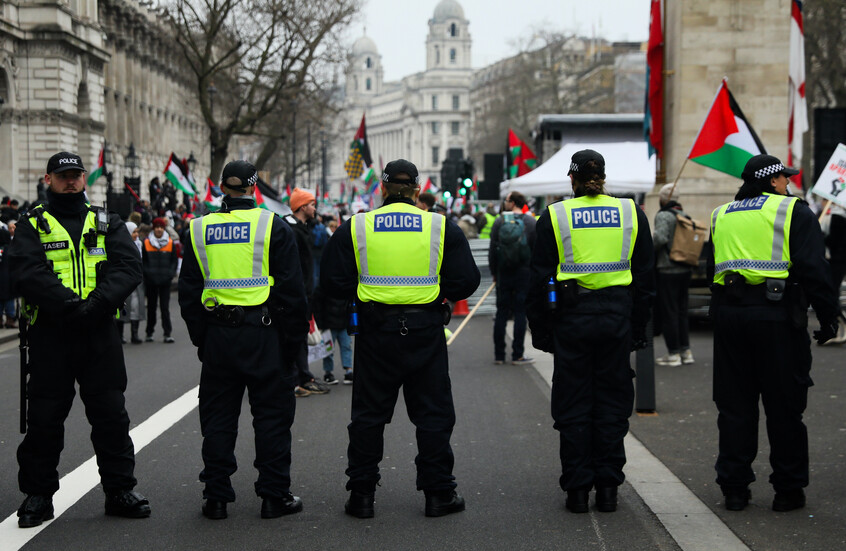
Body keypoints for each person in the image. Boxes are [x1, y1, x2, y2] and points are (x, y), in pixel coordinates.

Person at [321, 159, 480, 518]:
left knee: (368, 417)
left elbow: (331, 280)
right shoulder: (439, 227)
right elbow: (467, 280)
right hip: (425, 333)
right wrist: (439, 293)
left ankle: (361, 495)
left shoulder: (358, 226)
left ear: (383, 188)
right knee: (433, 416)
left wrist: (362, 295)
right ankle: (439, 493)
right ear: (417, 190)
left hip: (376, 333)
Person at [9, 151, 151, 528]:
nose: (69, 181)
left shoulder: (107, 221)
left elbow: (128, 267)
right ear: (48, 179)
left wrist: (97, 304)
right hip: (51, 335)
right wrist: (70, 305)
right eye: (62, 175)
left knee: (111, 416)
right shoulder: (33, 224)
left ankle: (120, 489)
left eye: (75, 175)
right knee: (44, 419)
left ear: (84, 179)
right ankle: (38, 495)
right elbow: (25, 270)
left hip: (98, 333)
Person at [178, 160, 309, 520]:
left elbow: (189, 292)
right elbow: (293, 294)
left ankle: (216, 496)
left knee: (218, 419)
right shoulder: (273, 227)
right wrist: (291, 344)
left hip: (219, 336)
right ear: (254, 188)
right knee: (272, 419)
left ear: (222, 187)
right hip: (264, 335)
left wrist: (202, 337)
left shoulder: (199, 229)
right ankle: (273, 495)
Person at [708, 154, 839, 512]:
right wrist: (829, 317)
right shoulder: (792, 211)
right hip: (777, 318)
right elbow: (814, 268)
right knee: (784, 407)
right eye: (784, 177)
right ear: (772, 181)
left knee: (735, 407)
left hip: (731, 317)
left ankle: (734, 489)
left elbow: (711, 269)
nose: (788, 182)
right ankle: (788, 490)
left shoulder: (722, 214)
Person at [527, 149, 654, 514]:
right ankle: (609, 488)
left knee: (573, 403)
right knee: (612, 404)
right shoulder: (631, 213)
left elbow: (538, 280)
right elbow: (645, 278)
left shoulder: (555, 215)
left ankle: (578, 491)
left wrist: (541, 331)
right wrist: (638, 328)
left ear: (572, 179)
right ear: (604, 177)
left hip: (572, 318)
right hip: (616, 317)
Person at [283, 188, 330, 397]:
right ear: (303, 207)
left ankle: (303, 376)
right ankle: (296, 379)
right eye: (312, 204)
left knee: (301, 335)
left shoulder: (302, 228)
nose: (315, 208)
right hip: (297, 293)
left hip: (305, 292)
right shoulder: (291, 231)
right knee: (294, 336)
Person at [490, 191, 536, 365]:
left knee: (501, 312)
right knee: (520, 313)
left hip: (504, 273)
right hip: (524, 273)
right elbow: (535, 250)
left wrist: (495, 273)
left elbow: (492, 250)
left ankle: (499, 355)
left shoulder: (499, 221)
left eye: (507, 200)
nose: (505, 203)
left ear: (512, 202)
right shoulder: (530, 222)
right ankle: (518, 354)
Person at [652, 183, 694, 366]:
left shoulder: (663, 215)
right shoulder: (683, 215)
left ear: (663, 199)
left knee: (669, 312)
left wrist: (647, 247)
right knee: (682, 312)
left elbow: (660, 238)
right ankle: (686, 351)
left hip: (667, 269)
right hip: (684, 268)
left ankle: (673, 354)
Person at [142, 217, 178, 343]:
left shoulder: (169, 242)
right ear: (153, 228)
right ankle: (149, 333)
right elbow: (143, 262)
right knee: (151, 308)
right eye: (156, 227)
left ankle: (167, 333)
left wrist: (170, 274)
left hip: (165, 281)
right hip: (151, 281)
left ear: (163, 228)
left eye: (161, 227)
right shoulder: (146, 242)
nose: (158, 229)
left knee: (164, 308)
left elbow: (174, 261)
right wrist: (147, 274)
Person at [118, 222, 146, 344]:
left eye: (137, 232)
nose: (136, 234)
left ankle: (134, 334)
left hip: (137, 281)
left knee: (136, 306)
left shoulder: (139, 245)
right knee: (123, 307)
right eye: (133, 232)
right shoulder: (121, 246)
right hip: (125, 280)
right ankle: (120, 335)